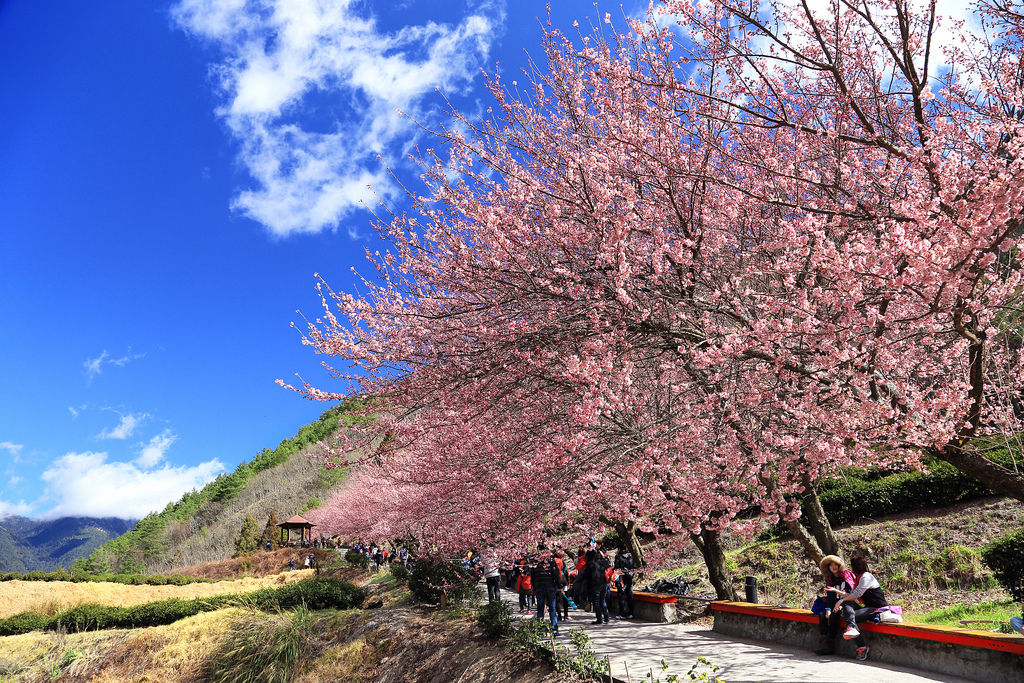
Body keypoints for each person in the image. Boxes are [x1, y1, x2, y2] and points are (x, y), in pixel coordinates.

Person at [832, 554, 888, 661]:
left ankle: (861, 646)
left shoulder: (866, 577)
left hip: (877, 608)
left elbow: (857, 594)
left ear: (856, 567)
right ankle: (853, 632)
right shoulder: (858, 578)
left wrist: (841, 601)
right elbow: (852, 595)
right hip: (867, 607)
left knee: (851, 618)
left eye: (852, 566)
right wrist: (840, 598)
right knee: (846, 607)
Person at [813, 554, 856, 655]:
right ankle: (824, 643)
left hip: (847, 604)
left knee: (834, 616)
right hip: (835, 604)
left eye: (836, 564)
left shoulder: (846, 575)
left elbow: (852, 593)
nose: (834, 567)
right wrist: (828, 609)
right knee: (822, 615)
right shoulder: (831, 580)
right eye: (831, 565)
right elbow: (831, 597)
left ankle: (830, 643)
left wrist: (843, 603)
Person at [531, 551, 564, 635]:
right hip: (550, 587)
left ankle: (540, 629)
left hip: (539, 587)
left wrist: (534, 587)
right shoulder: (551, 560)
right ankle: (554, 628)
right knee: (552, 608)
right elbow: (556, 574)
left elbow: (533, 575)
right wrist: (560, 587)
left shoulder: (535, 561)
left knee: (540, 609)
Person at [581, 549, 611, 624]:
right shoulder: (600, 562)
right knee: (602, 600)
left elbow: (586, 575)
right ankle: (606, 617)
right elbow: (607, 564)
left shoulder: (589, 564)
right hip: (603, 583)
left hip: (595, 584)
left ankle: (599, 619)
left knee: (596, 602)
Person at [614, 548, 636, 620]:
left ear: (619, 549)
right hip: (629, 578)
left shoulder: (618, 557)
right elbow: (634, 568)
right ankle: (631, 613)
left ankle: (623, 614)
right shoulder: (630, 557)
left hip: (622, 579)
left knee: (621, 596)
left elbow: (616, 567)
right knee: (630, 595)